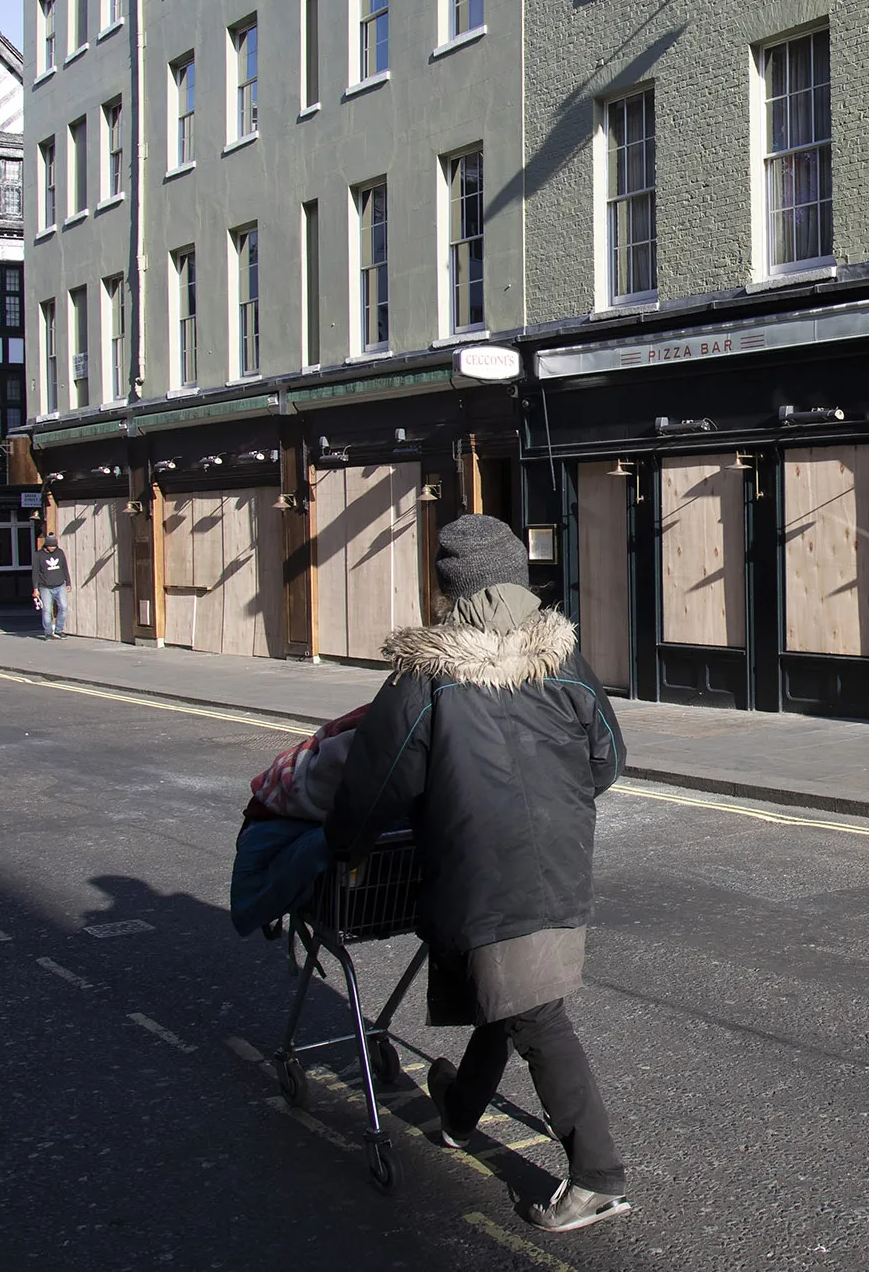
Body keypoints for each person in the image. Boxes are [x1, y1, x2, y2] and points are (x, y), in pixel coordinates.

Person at [326, 514, 630, 1233]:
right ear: (520, 581)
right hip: (560, 861)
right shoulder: (564, 662)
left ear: (449, 589)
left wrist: (347, 848)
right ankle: (459, 1114)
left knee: (533, 1012)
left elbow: (375, 782)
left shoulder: (427, 678)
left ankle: (598, 1177)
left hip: (480, 869)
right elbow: (608, 758)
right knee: (515, 992)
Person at [32, 533, 71, 639]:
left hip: (60, 585)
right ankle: (48, 632)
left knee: (63, 607)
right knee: (47, 610)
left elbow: (64, 567)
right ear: (46, 545)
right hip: (45, 587)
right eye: (51, 546)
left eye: (54, 546)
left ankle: (59, 630)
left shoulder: (60, 552)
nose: (53, 548)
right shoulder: (38, 555)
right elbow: (35, 573)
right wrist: (35, 589)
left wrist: (68, 582)